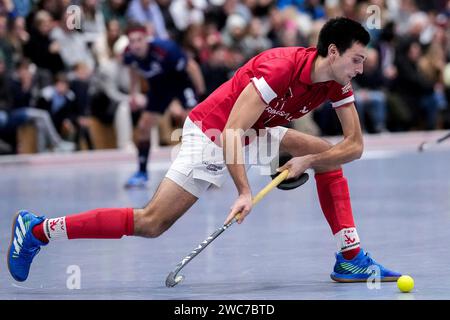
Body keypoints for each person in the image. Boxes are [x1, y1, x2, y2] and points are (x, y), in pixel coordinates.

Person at [7, 17, 401, 283]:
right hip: (215, 131)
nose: (361, 69)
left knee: (325, 155)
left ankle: (349, 257)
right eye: (356, 59)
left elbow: (354, 146)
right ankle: (39, 229)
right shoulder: (279, 68)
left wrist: (310, 160)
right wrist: (244, 191)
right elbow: (232, 130)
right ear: (332, 53)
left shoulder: (337, 82)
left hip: (257, 131)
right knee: (152, 223)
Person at [122, 25, 205, 188]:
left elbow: (192, 67)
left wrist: (201, 96)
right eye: (132, 41)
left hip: (181, 83)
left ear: (146, 39)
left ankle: (205, 170)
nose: (136, 45)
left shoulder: (166, 49)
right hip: (159, 88)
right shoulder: (128, 54)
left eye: (139, 40)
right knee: (144, 126)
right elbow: (133, 70)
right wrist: (133, 94)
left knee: (193, 123)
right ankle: (142, 173)